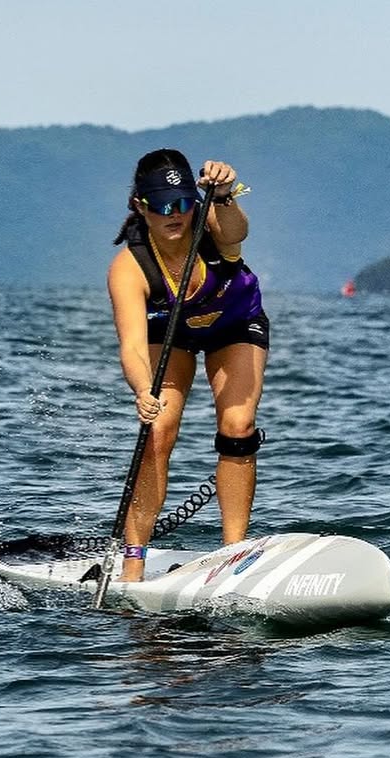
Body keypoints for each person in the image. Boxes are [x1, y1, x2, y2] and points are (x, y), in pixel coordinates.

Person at [107, 149, 269, 581]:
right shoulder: (130, 268)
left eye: (182, 203)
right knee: (157, 430)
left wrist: (223, 194)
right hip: (171, 334)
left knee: (238, 425)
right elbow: (133, 347)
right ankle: (133, 561)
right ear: (141, 207)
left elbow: (239, 230)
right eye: (162, 206)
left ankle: (234, 552)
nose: (174, 214)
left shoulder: (211, 223)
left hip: (236, 323)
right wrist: (144, 390)